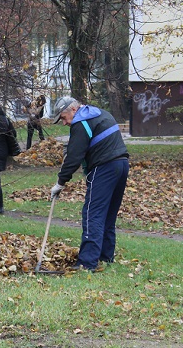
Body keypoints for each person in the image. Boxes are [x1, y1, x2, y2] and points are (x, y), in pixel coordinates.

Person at [50, 96, 129, 271]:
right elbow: (88, 144)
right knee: (108, 214)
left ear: (73, 110)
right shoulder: (99, 113)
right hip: (122, 165)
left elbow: (74, 157)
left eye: (63, 118)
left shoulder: (80, 122)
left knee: (92, 214)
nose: (64, 123)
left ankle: (87, 263)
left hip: (104, 168)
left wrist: (60, 183)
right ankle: (106, 257)